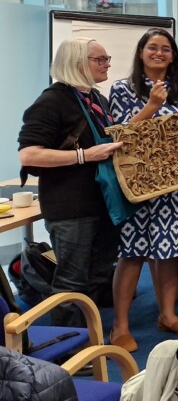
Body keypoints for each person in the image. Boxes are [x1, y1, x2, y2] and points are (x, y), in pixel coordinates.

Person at [17, 38, 123, 328]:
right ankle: (70, 346)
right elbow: (29, 154)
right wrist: (84, 156)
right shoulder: (52, 101)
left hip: (102, 202)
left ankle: (86, 336)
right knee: (72, 280)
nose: (107, 64)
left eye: (106, 58)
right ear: (77, 64)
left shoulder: (96, 99)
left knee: (98, 275)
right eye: (99, 59)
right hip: (71, 207)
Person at [108, 28, 178, 350]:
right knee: (132, 253)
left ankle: (168, 315)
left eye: (166, 48)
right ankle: (120, 326)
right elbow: (119, 137)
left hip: (177, 188)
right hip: (139, 187)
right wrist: (150, 106)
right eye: (152, 47)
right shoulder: (122, 89)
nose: (159, 53)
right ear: (141, 52)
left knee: (171, 251)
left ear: (173, 55)